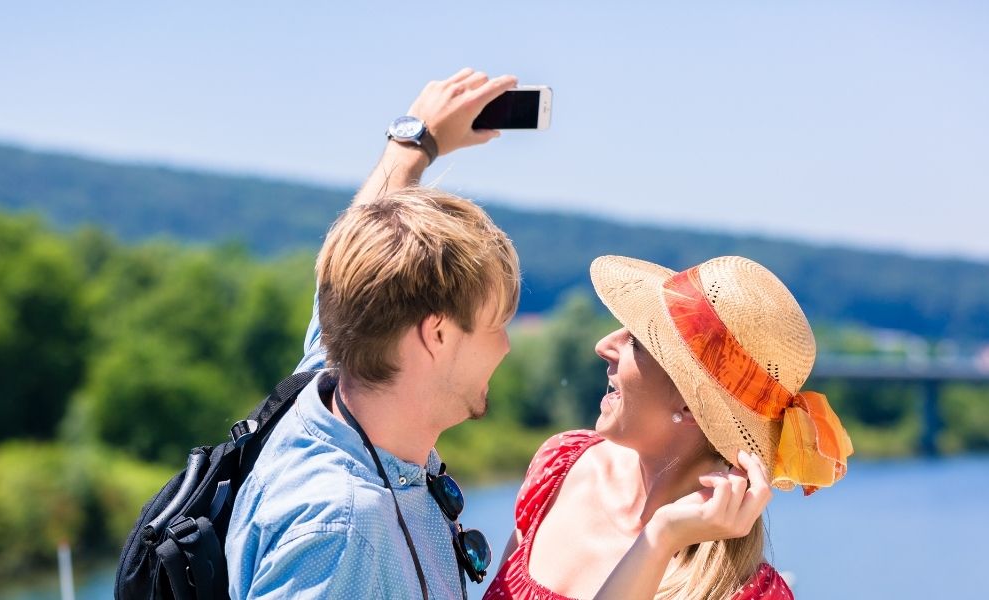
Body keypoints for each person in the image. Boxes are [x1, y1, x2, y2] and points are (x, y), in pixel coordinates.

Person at [225, 68, 521, 599]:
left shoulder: (335, 375)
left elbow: (346, 266)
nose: (505, 346)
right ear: (436, 334)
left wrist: (414, 144)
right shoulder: (340, 533)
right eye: (496, 324)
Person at [482, 255, 853, 600]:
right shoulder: (561, 464)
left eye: (636, 343)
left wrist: (661, 538)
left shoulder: (744, 591)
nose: (603, 345)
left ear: (691, 404)